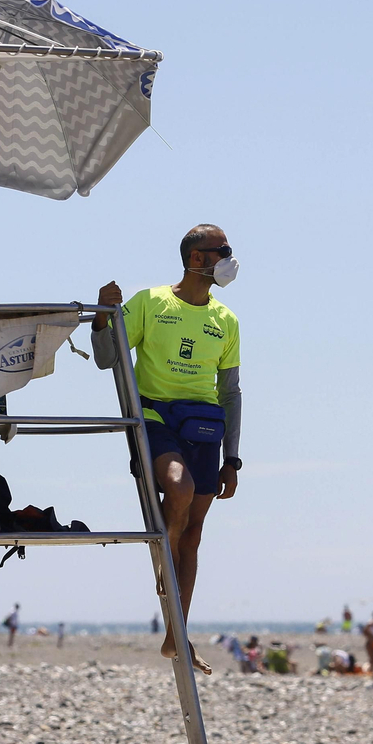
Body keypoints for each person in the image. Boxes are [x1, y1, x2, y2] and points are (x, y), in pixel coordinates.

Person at [94, 224, 242, 667]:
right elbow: (107, 358)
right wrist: (103, 317)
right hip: (156, 414)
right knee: (176, 489)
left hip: (205, 426)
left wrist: (232, 458)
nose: (230, 260)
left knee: (192, 536)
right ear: (197, 258)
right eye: (223, 251)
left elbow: (231, 393)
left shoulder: (226, 320)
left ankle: (177, 633)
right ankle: (164, 555)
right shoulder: (151, 302)